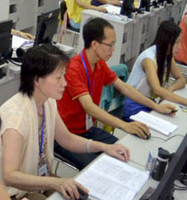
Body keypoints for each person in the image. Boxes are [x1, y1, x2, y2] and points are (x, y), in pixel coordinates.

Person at [0, 45, 130, 200]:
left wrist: (104, 147)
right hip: (11, 192)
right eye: (59, 78)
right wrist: (55, 182)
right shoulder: (16, 119)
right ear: (37, 80)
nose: (64, 84)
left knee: (79, 198)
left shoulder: (47, 102)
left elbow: (67, 139)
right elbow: (10, 176)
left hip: (36, 180)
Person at [56, 18, 176, 169]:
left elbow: (125, 88)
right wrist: (124, 126)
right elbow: (89, 107)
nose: (113, 49)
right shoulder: (74, 68)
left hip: (88, 130)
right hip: (67, 135)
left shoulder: (99, 64)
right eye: (110, 45)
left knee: (125, 153)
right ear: (94, 44)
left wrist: (156, 106)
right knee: (99, 168)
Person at [122, 20, 187, 121]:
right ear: (167, 42)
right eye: (177, 42)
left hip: (149, 103)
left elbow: (181, 79)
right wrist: (186, 101)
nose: (180, 47)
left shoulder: (166, 54)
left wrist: (170, 89)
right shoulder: (149, 59)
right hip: (135, 106)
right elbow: (157, 90)